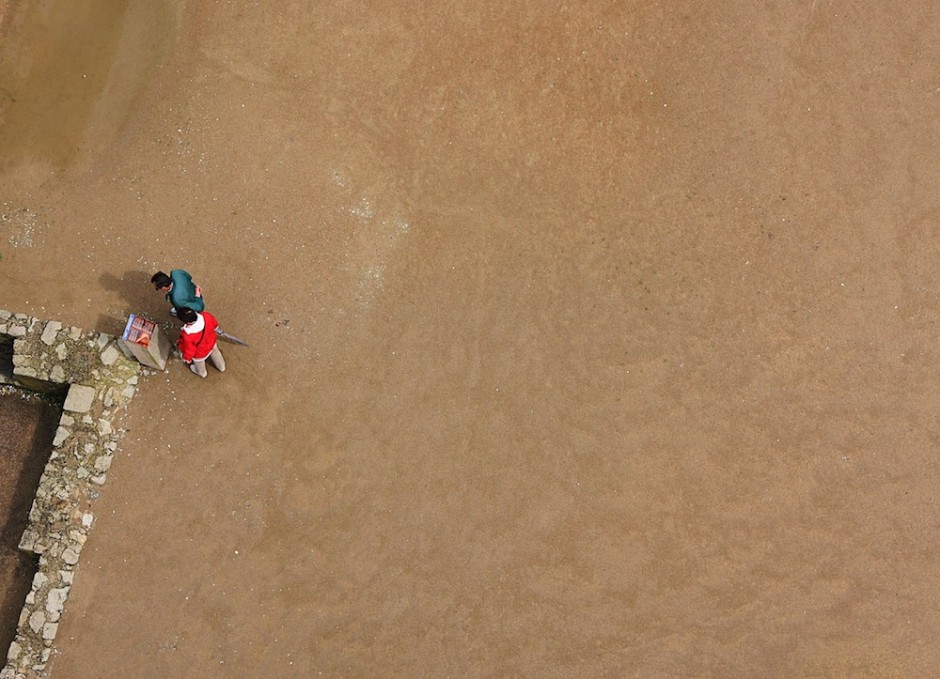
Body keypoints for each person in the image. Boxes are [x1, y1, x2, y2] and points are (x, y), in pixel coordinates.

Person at [176, 307, 226, 378]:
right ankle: (221, 367)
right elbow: (214, 324)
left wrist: (187, 358)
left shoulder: (187, 335)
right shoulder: (205, 316)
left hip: (200, 353)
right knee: (216, 353)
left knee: (200, 367)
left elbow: (189, 350)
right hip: (211, 342)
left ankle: (202, 373)